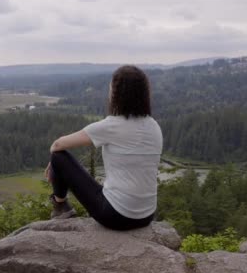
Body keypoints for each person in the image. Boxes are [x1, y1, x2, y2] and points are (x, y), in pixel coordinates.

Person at [45, 65, 162, 231]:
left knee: (58, 156)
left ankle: (61, 207)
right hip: (146, 216)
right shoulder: (154, 126)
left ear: (116, 94)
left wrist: (55, 164)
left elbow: (57, 145)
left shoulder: (111, 126)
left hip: (115, 216)